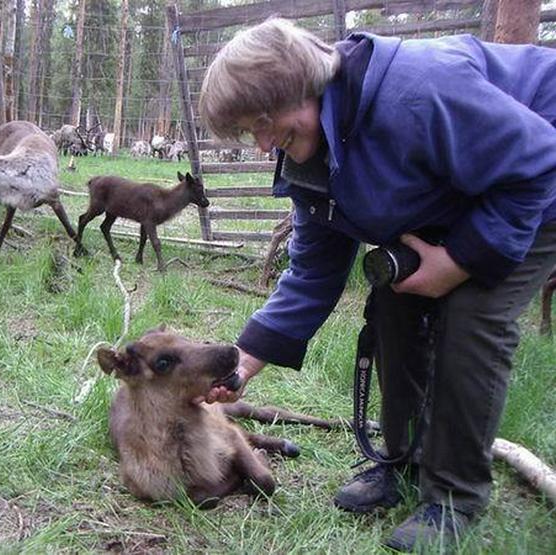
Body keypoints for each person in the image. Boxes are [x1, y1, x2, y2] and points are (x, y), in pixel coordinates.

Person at [196, 17, 556, 552]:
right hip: (456, 194)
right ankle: (401, 461)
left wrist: (459, 261)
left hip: (531, 188)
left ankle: (454, 496)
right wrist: (243, 364)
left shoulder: (418, 92)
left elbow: (538, 163)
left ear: (306, 85)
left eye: (265, 122)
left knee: (470, 318)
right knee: (393, 305)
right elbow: (314, 271)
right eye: (252, 131)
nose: (263, 144)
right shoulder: (308, 155)